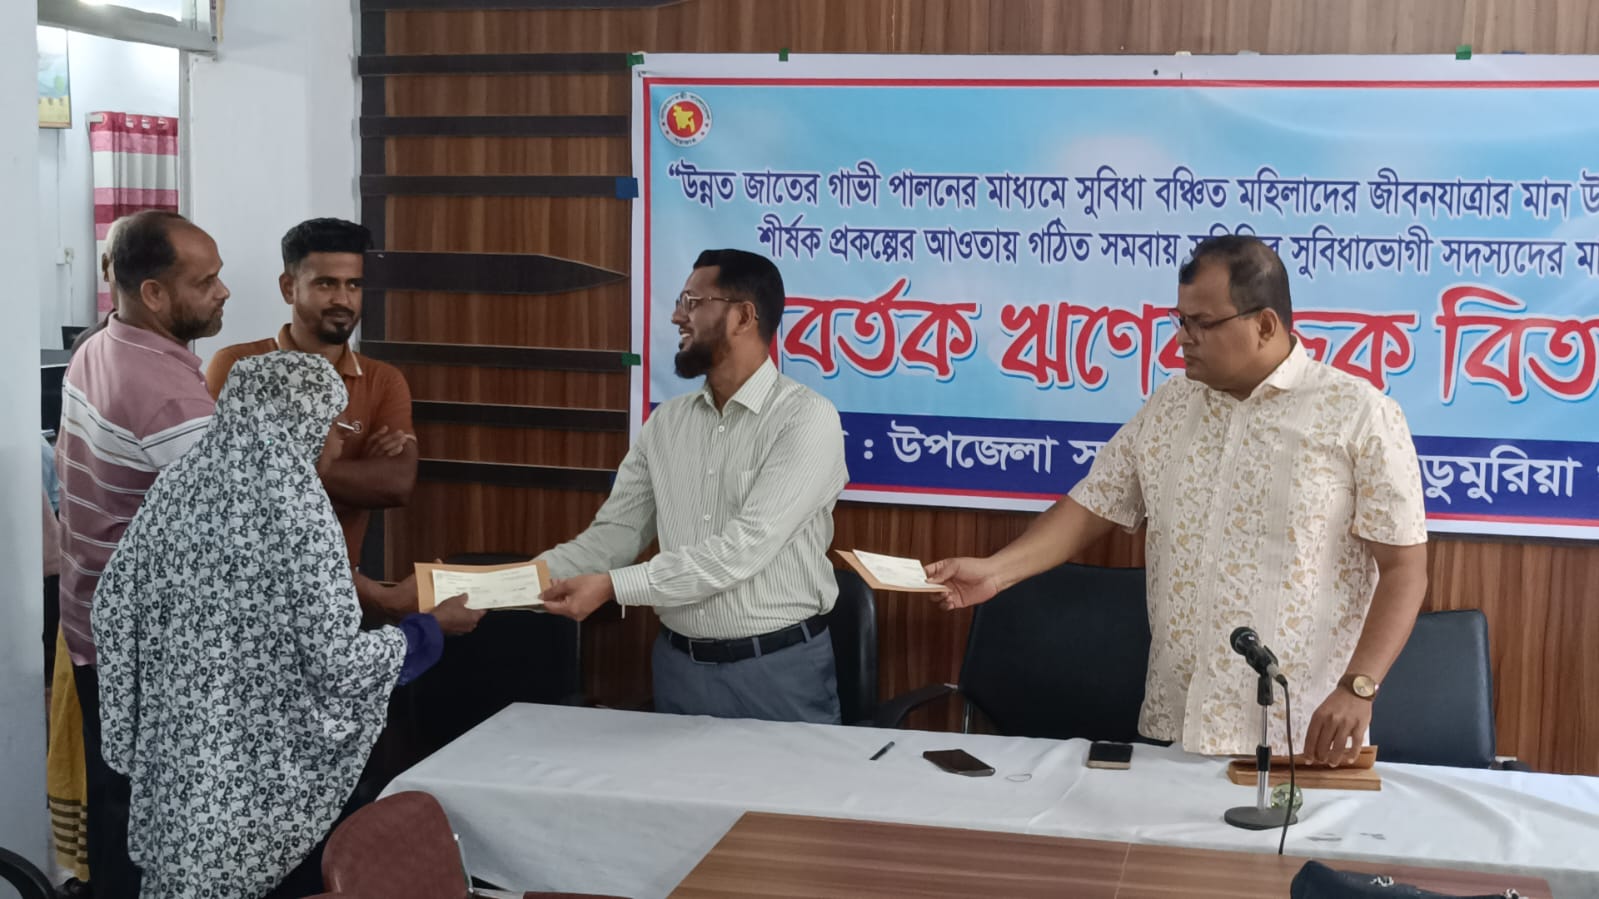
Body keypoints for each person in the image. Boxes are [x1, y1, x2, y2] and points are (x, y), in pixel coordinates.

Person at [925, 235, 1429, 764]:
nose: (1182, 339)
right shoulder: (1170, 406)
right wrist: (997, 572)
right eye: (1180, 320)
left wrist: (1359, 687)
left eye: (1201, 323)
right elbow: (1092, 505)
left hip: (1300, 734)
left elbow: (1405, 570)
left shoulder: (1359, 414)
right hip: (1179, 726)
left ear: (1264, 325)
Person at [92, 352, 484, 899]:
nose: (338, 444)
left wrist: (140, 723)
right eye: (333, 426)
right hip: (252, 791)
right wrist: (430, 629)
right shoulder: (299, 510)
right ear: (301, 422)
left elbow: (111, 608)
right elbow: (338, 667)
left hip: (177, 770)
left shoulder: (177, 486)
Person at [538, 249, 849, 724]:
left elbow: (743, 549)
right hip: (678, 668)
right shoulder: (666, 423)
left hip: (776, 671)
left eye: (692, 302)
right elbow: (612, 539)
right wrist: (500, 584)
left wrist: (615, 587)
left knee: (785, 780)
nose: (676, 316)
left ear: (743, 317)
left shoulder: (806, 419)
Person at [55, 209, 228, 898]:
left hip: (95, 629)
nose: (223, 291)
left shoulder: (100, 344)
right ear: (153, 293)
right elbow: (237, 545)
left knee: (118, 819)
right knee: (154, 836)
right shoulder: (170, 402)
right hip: (147, 654)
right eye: (205, 281)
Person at [205, 219, 417, 595]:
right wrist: (352, 472)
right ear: (289, 288)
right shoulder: (239, 367)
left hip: (345, 586)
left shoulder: (383, 380)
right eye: (326, 284)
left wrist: (277, 466)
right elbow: (230, 483)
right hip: (250, 584)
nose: (343, 300)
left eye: (354, 285)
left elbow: (396, 483)